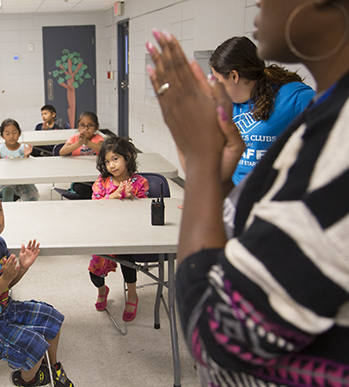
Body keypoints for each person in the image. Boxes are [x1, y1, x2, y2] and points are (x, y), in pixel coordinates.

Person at [146, 0, 349, 385]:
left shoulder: (338, 141)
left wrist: (202, 161)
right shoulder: (329, 113)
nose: (257, 1)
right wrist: (220, 180)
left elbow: (217, 333)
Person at [0, 185, 74, 387]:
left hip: (4, 308)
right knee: (34, 346)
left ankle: (52, 367)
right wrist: (4, 279)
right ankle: (27, 380)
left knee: (52, 317)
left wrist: (23, 268)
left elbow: (6, 284)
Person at [209, 36, 315, 185]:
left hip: (270, 198)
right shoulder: (230, 104)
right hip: (233, 196)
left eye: (219, 81)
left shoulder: (294, 97)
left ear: (234, 76)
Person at [89, 137, 149, 322]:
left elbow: (145, 211)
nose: (111, 165)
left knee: (127, 259)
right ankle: (102, 290)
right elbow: (95, 205)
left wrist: (133, 199)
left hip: (129, 233)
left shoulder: (139, 182)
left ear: (127, 157)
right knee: (94, 272)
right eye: (107, 161)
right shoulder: (102, 182)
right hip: (105, 233)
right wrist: (114, 196)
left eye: (115, 159)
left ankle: (132, 295)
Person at [0, 118, 40, 202]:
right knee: (7, 191)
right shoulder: (0, 149)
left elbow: (28, 168)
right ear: (2, 136)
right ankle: (7, 211)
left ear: (19, 133)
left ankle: (30, 212)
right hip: (7, 181)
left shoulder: (23, 148)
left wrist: (26, 156)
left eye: (14, 133)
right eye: (7, 133)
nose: (11, 136)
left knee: (30, 197)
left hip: (23, 180)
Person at [59, 111, 105, 199]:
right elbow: (62, 152)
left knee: (98, 188)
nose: (86, 128)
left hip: (96, 175)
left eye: (90, 125)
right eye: (82, 125)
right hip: (79, 177)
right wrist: (79, 143)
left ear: (96, 127)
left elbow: (102, 148)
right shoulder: (74, 138)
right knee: (83, 190)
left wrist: (87, 142)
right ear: (78, 126)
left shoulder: (98, 138)